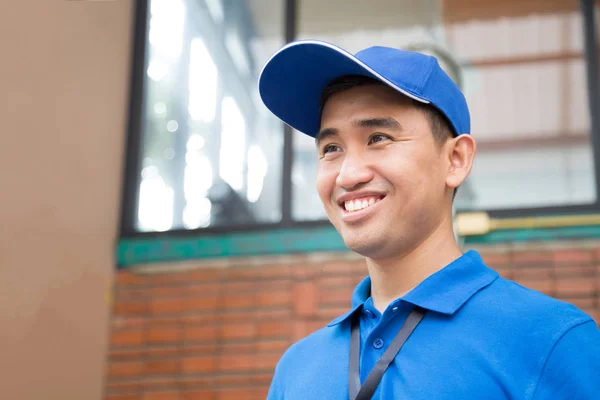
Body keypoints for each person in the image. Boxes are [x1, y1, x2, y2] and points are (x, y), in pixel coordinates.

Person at [258, 40, 600, 400]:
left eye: (378, 138)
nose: (347, 175)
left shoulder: (549, 341)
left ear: (455, 160)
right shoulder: (295, 369)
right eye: (331, 149)